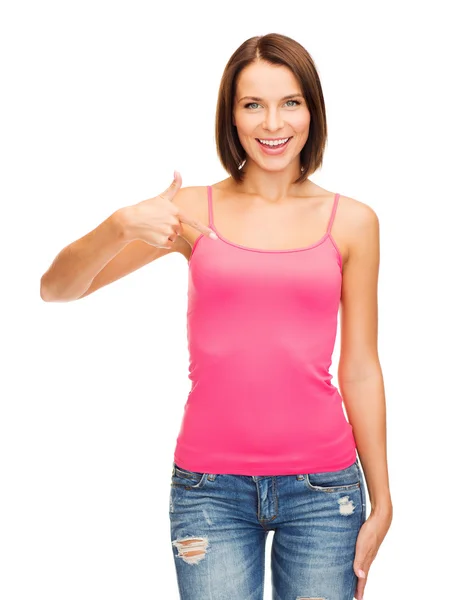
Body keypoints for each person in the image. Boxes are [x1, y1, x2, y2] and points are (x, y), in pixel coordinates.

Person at [40, 32, 393, 600]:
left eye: (290, 102)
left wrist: (383, 499)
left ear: (312, 110)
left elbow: (361, 367)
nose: (272, 123)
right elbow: (56, 289)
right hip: (208, 492)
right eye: (253, 104)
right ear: (231, 116)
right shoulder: (190, 212)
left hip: (326, 491)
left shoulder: (352, 222)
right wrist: (121, 224)